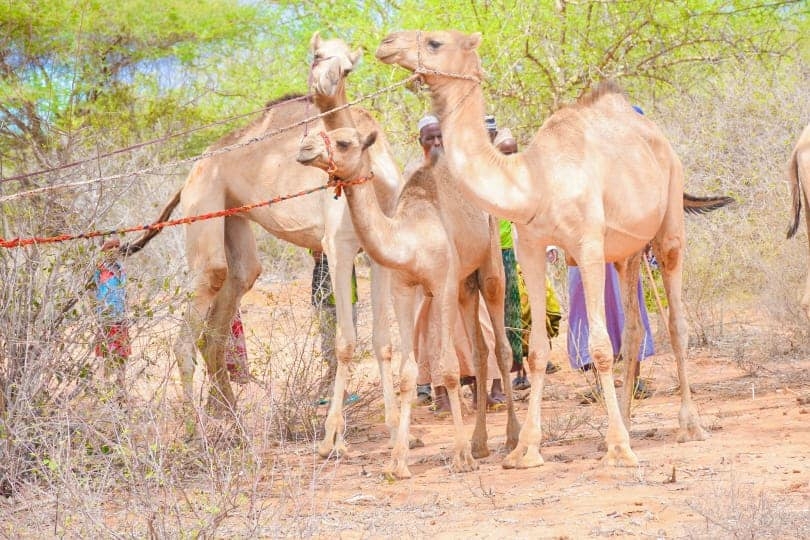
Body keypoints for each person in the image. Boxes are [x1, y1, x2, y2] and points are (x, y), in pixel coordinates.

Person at [489, 125, 562, 394]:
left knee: (536, 306)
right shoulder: (489, 183)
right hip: (503, 253)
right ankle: (514, 370)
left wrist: (550, 245)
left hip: (528, 253)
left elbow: (539, 215)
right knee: (512, 312)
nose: (510, 157)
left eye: (513, 152)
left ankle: (536, 361)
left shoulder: (527, 180)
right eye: (504, 152)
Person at [567, 262, 655, 403]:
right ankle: (601, 383)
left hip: (620, 255)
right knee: (588, 307)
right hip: (585, 257)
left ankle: (634, 380)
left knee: (626, 303)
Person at [311, 248, 359, 406]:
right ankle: (334, 391)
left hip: (348, 298)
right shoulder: (318, 238)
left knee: (348, 345)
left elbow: (358, 248)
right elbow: (316, 253)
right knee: (330, 349)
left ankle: (332, 391)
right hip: (325, 298)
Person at [92, 238, 130, 387]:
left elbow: (125, 292)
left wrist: (127, 312)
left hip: (121, 317)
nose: (114, 249)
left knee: (122, 353)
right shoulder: (99, 269)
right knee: (105, 353)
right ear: (104, 250)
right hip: (106, 318)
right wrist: (98, 311)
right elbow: (92, 290)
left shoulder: (121, 268)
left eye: (116, 246)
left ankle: (121, 385)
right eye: (110, 247)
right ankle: (105, 385)